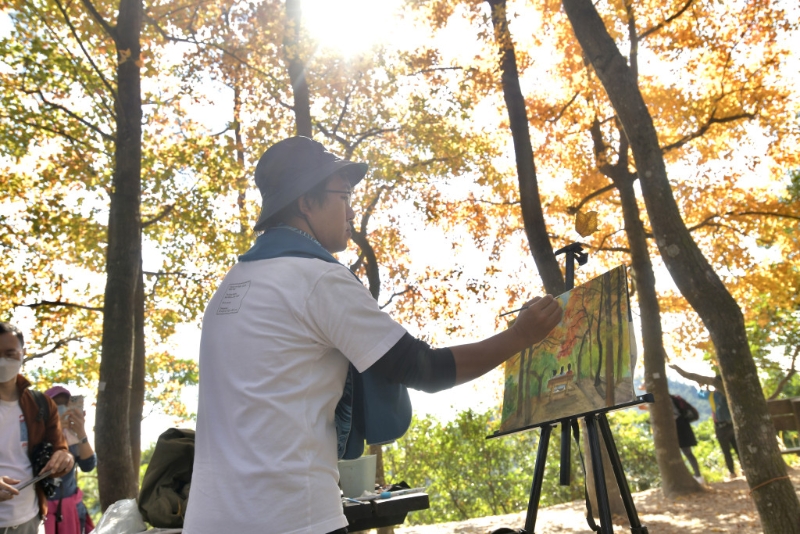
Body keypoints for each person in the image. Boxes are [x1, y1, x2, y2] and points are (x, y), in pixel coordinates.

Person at [182, 136, 564, 534]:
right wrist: (520, 335)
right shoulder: (317, 279)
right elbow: (425, 370)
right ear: (305, 202)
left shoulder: (231, 286)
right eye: (343, 195)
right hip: (293, 518)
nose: (350, 210)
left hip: (207, 520)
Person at [0, 323, 74, 534]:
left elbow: (61, 451)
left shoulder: (41, 404)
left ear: (23, 353)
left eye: (10, 353)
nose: (3, 360)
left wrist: (64, 458)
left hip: (30, 520)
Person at [670, 364, 740, 478]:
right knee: (737, 448)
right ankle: (743, 468)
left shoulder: (712, 395)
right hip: (732, 425)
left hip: (721, 427)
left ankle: (732, 472)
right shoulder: (730, 395)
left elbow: (700, 394)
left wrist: (703, 387)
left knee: (726, 451)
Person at [43, 386, 96, 534]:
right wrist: (55, 432)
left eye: (65, 405)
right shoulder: (37, 435)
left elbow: (88, 465)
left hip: (71, 510)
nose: (61, 409)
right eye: (56, 406)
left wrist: (81, 434)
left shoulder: (73, 437)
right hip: (43, 511)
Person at [670, 394, 703, 483]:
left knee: (686, 453)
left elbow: (672, 414)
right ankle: (698, 475)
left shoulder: (666, 400)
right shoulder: (672, 398)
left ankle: (697, 476)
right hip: (683, 426)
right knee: (688, 453)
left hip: (678, 427)